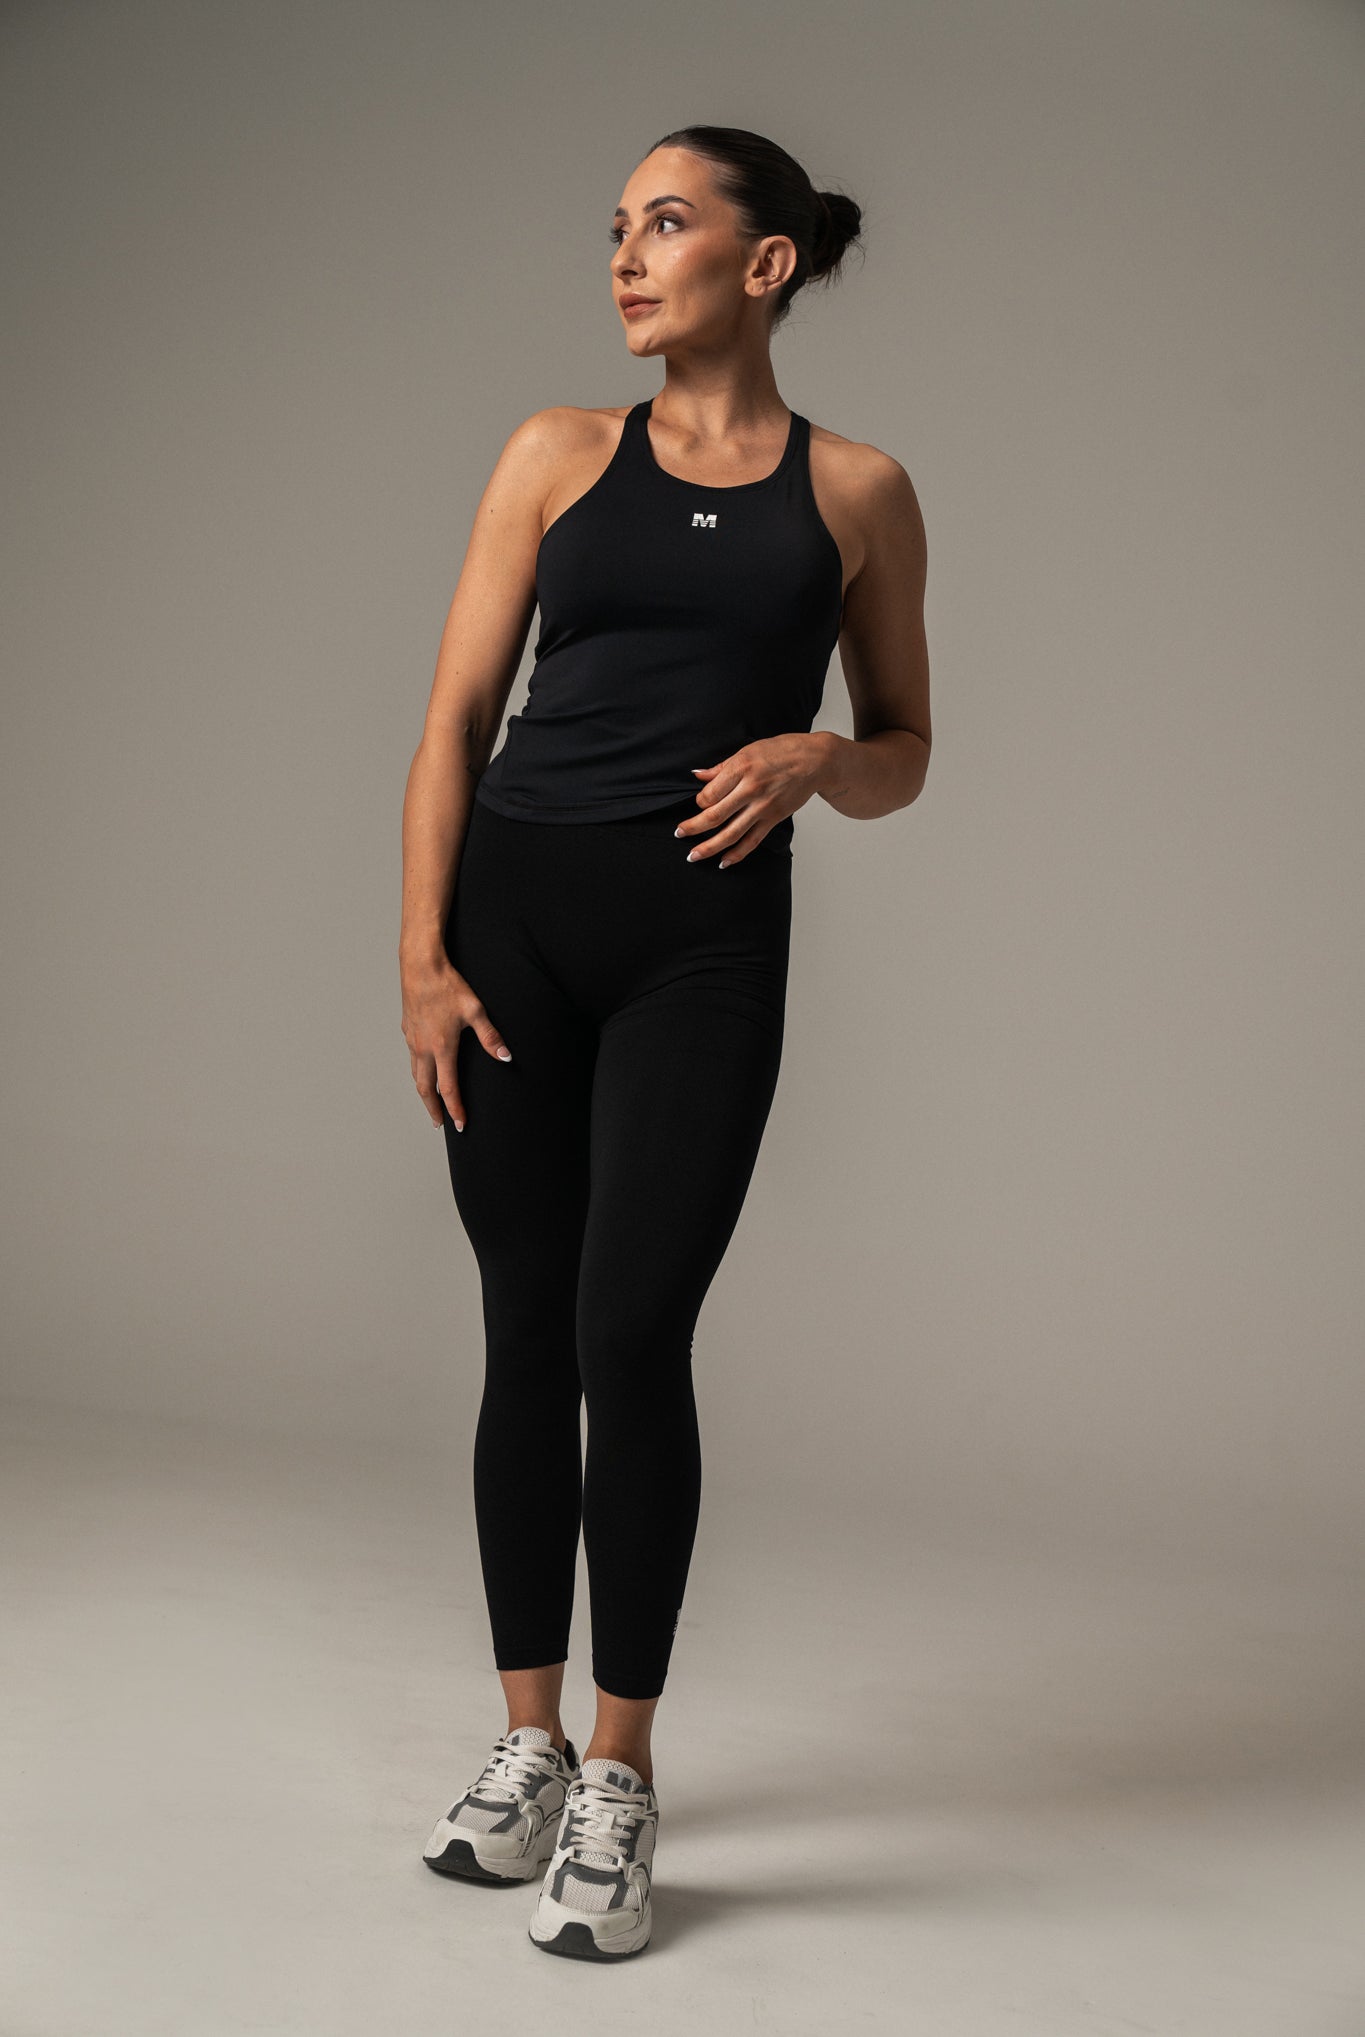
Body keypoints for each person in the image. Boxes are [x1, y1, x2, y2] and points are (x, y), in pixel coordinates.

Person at [399, 123, 931, 1962]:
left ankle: (621, 1771)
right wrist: (419, 959)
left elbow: (907, 746)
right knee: (525, 1325)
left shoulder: (856, 491)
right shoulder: (554, 454)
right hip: (512, 932)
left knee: (630, 1328)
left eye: (667, 223)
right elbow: (456, 716)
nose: (626, 256)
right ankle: (526, 1740)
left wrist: (823, 758)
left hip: (701, 949)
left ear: (764, 263)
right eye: (616, 227)